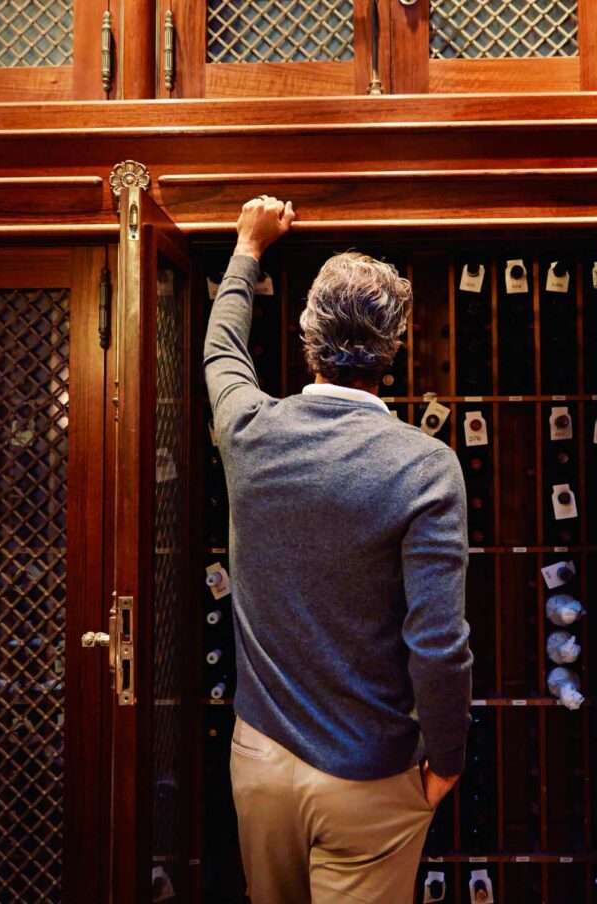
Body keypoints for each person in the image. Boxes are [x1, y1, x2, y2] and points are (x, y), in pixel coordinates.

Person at [204, 195, 472, 904]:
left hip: (260, 762)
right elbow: (438, 643)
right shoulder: (426, 466)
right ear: (395, 349)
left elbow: (222, 350)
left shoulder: (249, 431)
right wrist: (447, 757)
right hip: (370, 776)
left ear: (304, 337)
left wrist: (247, 249)